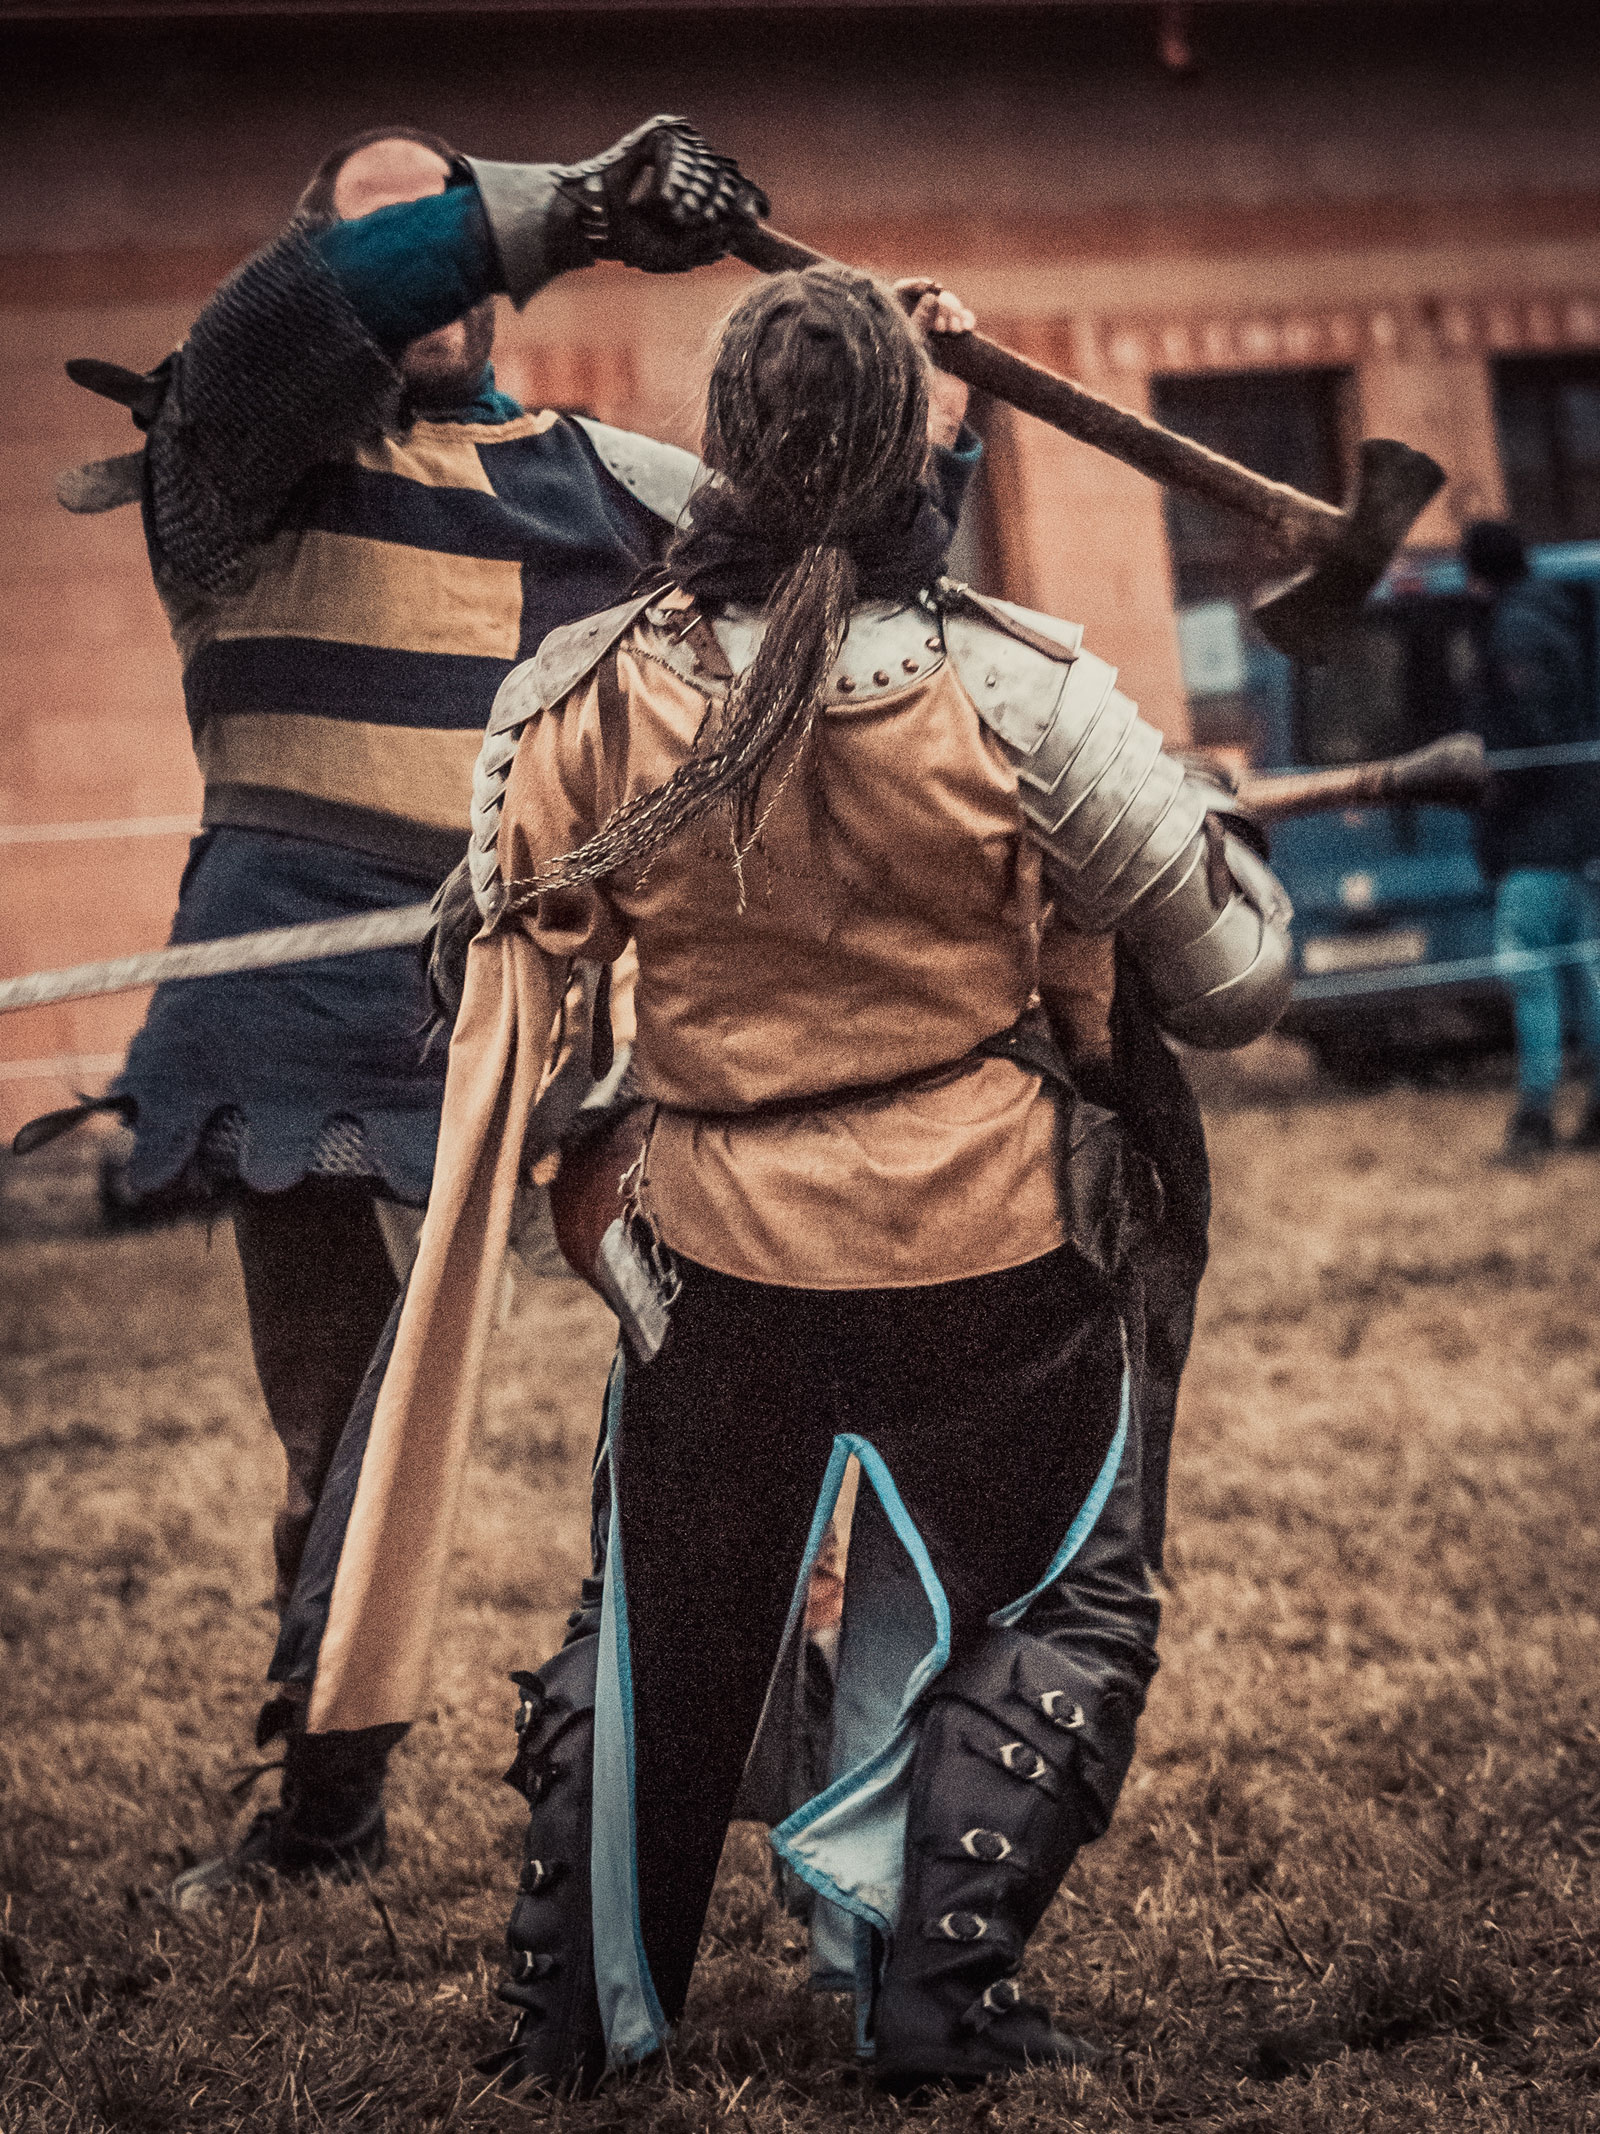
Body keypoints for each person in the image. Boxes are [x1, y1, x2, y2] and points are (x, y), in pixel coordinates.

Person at [295, 265, 1291, 2095]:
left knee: (653, 1619)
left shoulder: (585, 696)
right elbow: (1236, 987)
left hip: (716, 1258)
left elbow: (503, 989)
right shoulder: (1028, 690)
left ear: (720, 452)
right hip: (991, 1251)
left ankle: (572, 2008)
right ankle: (939, 1994)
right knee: (1056, 1602)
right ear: (909, 443)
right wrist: (1206, 837)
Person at [33, 115, 782, 1905]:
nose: (430, 267)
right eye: (391, 235)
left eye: (450, 228)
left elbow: (844, 579)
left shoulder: (613, 483)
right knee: (352, 1432)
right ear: (325, 264)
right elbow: (310, 311)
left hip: (560, 1015)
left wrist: (882, 375)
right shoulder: (228, 451)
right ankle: (325, 1808)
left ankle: (782, 1764)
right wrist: (572, 207)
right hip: (295, 1020)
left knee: (750, 1369)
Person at [1463, 519, 1600, 1165]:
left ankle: (1535, 1118)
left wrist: (1495, 795)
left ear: (1477, 573)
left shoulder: (1515, 634)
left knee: (1529, 972)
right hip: (1579, 831)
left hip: (1536, 839)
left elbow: (1530, 738)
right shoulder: (1564, 621)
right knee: (1585, 971)